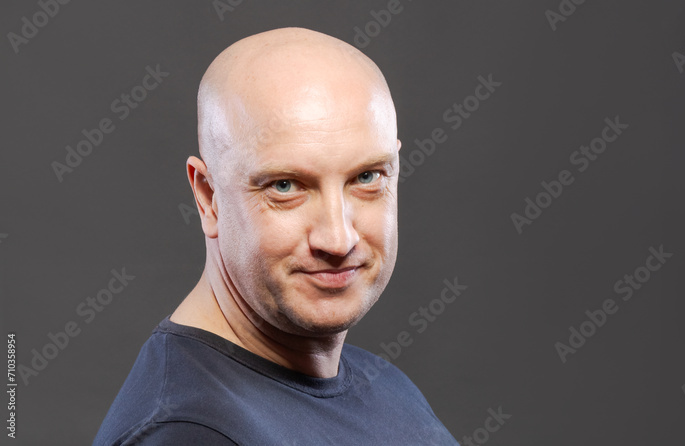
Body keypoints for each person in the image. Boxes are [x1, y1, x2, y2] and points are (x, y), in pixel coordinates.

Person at [93, 27, 458, 445]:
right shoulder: (188, 432)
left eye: (367, 177)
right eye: (285, 186)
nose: (338, 240)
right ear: (208, 198)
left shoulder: (383, 384)